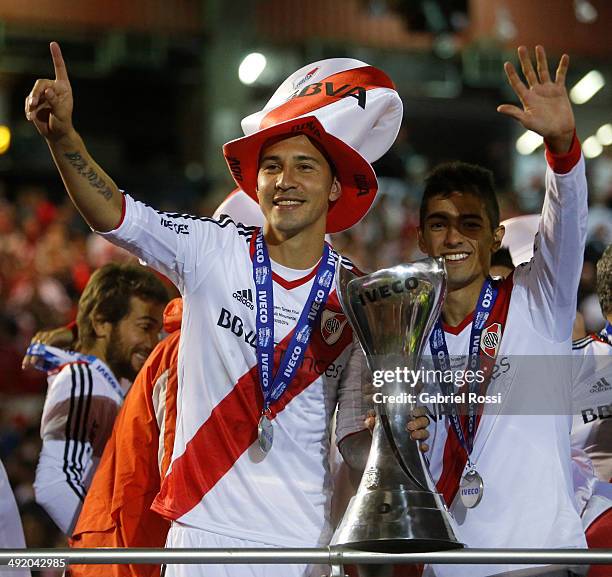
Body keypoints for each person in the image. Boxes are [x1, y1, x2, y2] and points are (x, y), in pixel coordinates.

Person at [26, 46, 430, 577]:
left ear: (334, 187)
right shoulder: (210, 249)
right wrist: (64, 140)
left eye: (304, 166)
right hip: (200, 537)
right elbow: (118, 215)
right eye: (271, 167)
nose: (285, 180)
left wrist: (395, 432)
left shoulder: (358, 296)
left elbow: (355, 436)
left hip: (303, 543)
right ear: (254, 183)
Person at [416, 46, 587, 576]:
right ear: (421, 236)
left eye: (470, 223)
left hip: (536, 556)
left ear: (495, 236)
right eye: (439, 223)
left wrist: (561, 148)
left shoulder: (540, 303)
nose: (453, 237)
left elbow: (567, 228)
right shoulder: (405, 332)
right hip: (446, 563)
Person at [33, 263, 168, 535]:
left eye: (158, 332)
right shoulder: (82, 378)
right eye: (145, 327)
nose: (154, 342)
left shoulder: (108, 381)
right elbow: (55, 483)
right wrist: (105, 548)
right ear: (101, 323)